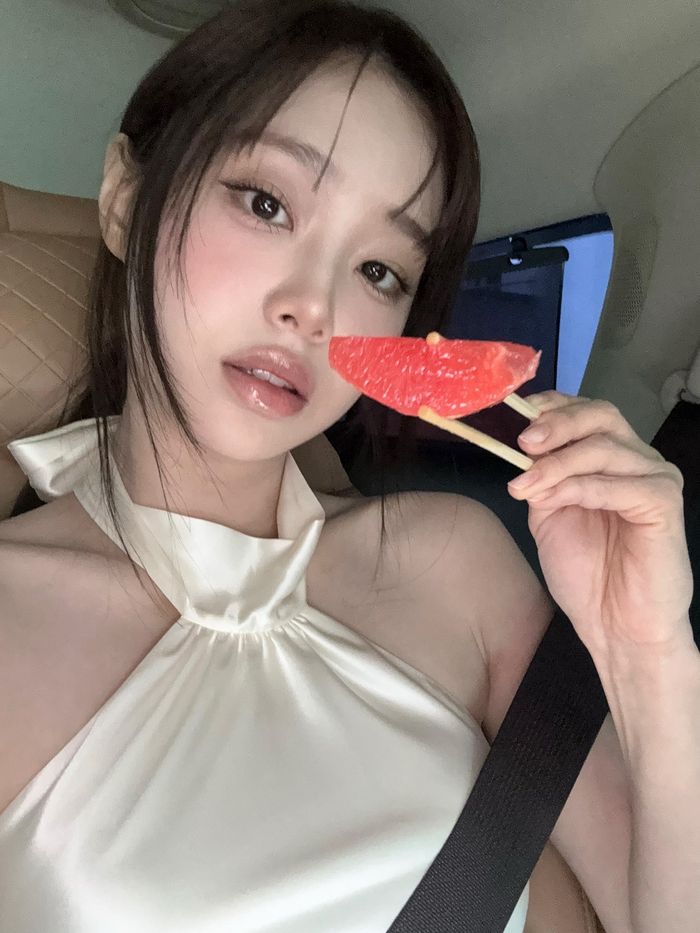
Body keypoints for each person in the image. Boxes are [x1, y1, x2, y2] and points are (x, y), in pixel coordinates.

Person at [0, 2, 697, 932]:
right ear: (127, 200)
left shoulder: (455, 562)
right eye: (266, 203)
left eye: (379, 271)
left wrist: (648, 653)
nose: (313, 306)